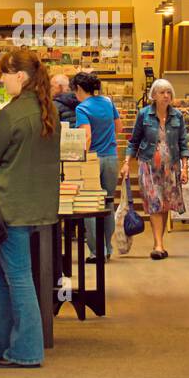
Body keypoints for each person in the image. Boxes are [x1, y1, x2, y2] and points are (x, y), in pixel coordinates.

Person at [0, 48, 61, 368]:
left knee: (18, 277)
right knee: (4, 276)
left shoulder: (11, 115)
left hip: (7, 207)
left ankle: (26, 350)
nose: (2, 80)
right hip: (34, 206)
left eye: (5, 74)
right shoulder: (47, 111)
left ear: (20, 77)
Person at [120, 78, 189, 260]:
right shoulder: (144, 115)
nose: (166, 96)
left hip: (171, 166)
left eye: (168, 92)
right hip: (148, 164)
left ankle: (160, 243)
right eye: (162, 92)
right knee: (154, 202)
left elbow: (183, 144)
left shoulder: (177, 117)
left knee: (165, 204)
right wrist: (127, 162)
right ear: (154, 96)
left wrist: (185, 168)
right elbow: (133, 141)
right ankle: (158, 245)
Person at [72, 71, 121, 262]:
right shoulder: (108, 102)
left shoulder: (82, 108)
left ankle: (96, 251)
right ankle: (108, 247)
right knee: (107, 203)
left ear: (78, 89)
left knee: (89, 204)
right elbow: (119, 127)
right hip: (111, 157)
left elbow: (86, 136)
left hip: (92, 159)